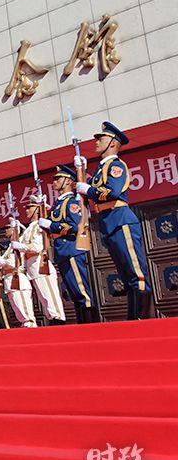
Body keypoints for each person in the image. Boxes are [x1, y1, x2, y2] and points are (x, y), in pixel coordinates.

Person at [74, 121, 154, 320]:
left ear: (112, 142)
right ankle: (133, 319)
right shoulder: (100, 170)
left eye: (101, 139)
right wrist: (81, 170)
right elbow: (86, 190)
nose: (96, 142)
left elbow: (113, 191)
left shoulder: (116, 165)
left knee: (135, 272)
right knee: (126, 275)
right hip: (108, 222)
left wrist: (88, 190)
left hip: (120, 220)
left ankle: (143, 319)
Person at [40, 165, 97, 323]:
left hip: (71, 249)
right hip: (62, 251)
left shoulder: (71, 202)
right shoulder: (58, 204)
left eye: (58, 179)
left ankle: (91, 326)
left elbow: (75, 226)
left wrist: (52, 225)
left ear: (67, 181)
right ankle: (82, 325)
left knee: (81, 291)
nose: (54, 182)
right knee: (74, 293)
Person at [13, 194, 67, 325]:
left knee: (51, 299)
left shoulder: (39, 226)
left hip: (41, 265)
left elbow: (37, 247)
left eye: (29, 208)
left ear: (37, 209)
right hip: (32, 268)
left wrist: (20, 246)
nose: (26, 210)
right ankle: (53, 323)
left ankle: (59, 323)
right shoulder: (29, 228)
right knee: (44, 300)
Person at [0, 224, 36, 328]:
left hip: (18, 279)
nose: (6, 230)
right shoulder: (10, 247)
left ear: (15, 230)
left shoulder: (19, 243)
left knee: (25, 311)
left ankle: (31, 328)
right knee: (18, 310)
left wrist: (1, 262)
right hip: (9, 281)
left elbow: (13, 263)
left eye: (8, 228)